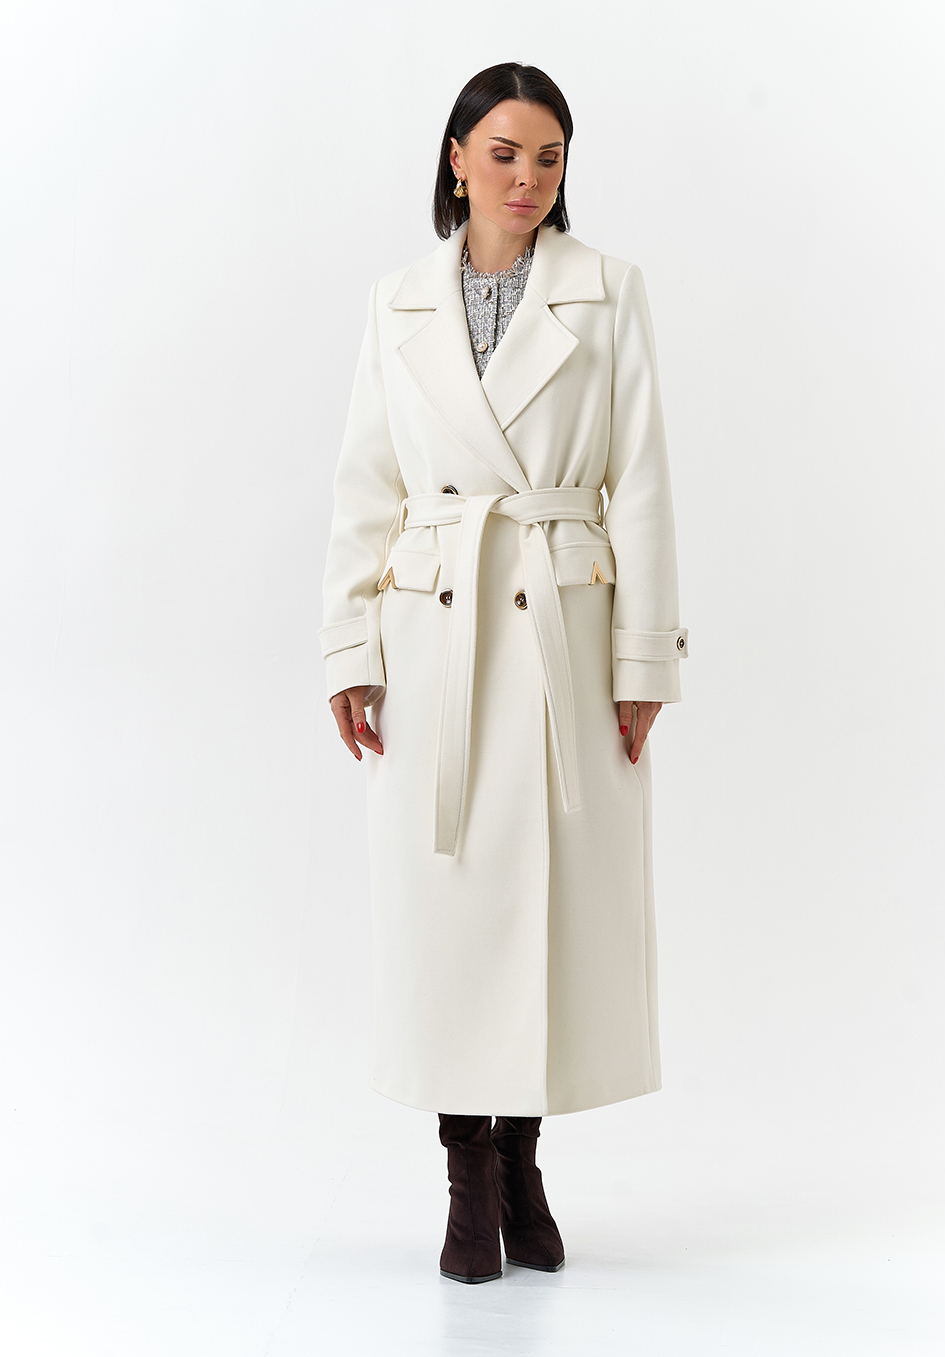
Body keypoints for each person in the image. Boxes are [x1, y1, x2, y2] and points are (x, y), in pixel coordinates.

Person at [319, 62, 688, 1284]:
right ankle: (464, 1177)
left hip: (561, 634)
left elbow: (640, 479)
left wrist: (641, 657)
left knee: (547, 909)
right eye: (504, 152)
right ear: (456, 159)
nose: (526, 177)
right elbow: (366, 484)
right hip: (432, 631)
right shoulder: (396, 302)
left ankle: (520, 1163)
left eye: (548, 157)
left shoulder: (607, 291)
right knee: (447, 909)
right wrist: (349, 647)